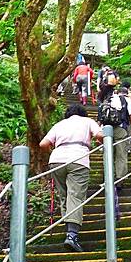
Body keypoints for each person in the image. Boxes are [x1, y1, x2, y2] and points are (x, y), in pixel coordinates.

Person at [39, 104, 103, 252]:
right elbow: (100, 135)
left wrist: (54, 151)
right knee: (75, 195)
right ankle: (72, 235)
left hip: (56, 160)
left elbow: (43, 144)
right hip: (78, 159)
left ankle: (68, 229)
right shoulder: (87, 121)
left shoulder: (59, 124)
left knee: (64, 196)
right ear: (83, 113)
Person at [98, 86, 131, 188]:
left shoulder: (104, 102)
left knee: (108, 154)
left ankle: (108, 177)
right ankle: (119, 179)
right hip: (120, 129)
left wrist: (99, 136)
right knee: (121, 154)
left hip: (106, 130)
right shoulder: (125, 100)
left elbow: (99, 120)